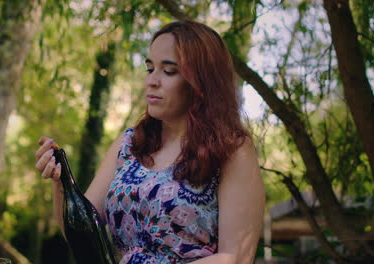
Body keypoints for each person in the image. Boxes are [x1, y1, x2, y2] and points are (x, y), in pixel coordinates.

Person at [35, 19, 265, 264]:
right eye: (149, 68)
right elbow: (84, 234)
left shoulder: (232, 149)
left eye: (168, 71)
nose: (152, 81)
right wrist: (61, 184)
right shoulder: (129, 145)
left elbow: (236, 257)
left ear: (201, 82)